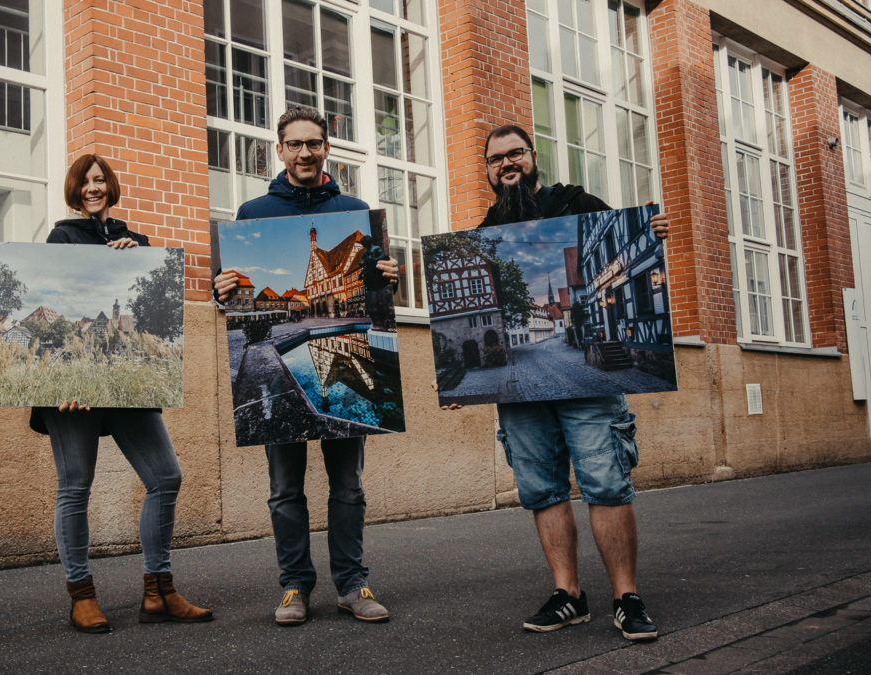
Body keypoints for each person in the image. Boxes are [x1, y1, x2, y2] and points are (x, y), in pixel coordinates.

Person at [449, 124, 668, 642]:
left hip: (589, 390)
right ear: (486, 170)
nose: (507, 163)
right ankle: (568, 594)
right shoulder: (483, 230)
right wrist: (460, 382)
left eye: (515, 153)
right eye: (496, 158)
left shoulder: (575, 201)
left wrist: (650, 233)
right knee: (542, 490)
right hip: (519, 394)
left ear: (533, 157)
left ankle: (626, 597)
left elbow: (627, 245)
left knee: (606, 483)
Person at [213, 107, 398, 626]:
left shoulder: (355, 211)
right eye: (294, 145)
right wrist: (220, 289)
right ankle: (294, 585)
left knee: (349, 487)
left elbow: (376, 288)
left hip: (350, 354)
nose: (305, 153)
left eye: (313, 143)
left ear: (327, 148)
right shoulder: (253, 213)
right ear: (279, 151)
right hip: (288, 381)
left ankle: (353, 583)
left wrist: (388, 277)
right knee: (284, 489)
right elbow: (230, 289)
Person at [30, 154, 212, 633]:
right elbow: (59, 302)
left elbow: (151, 312)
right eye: (85, 182)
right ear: (75, 190)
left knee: (165, 477)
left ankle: (159, 591)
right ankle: (81, 594)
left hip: (127, 380)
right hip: (71, 385)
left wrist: (138, 262)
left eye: (100, 180)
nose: (93, 188)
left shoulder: (139, 243)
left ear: (110, 186)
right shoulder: (62, 237)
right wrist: (61, 381)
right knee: (75, 487)